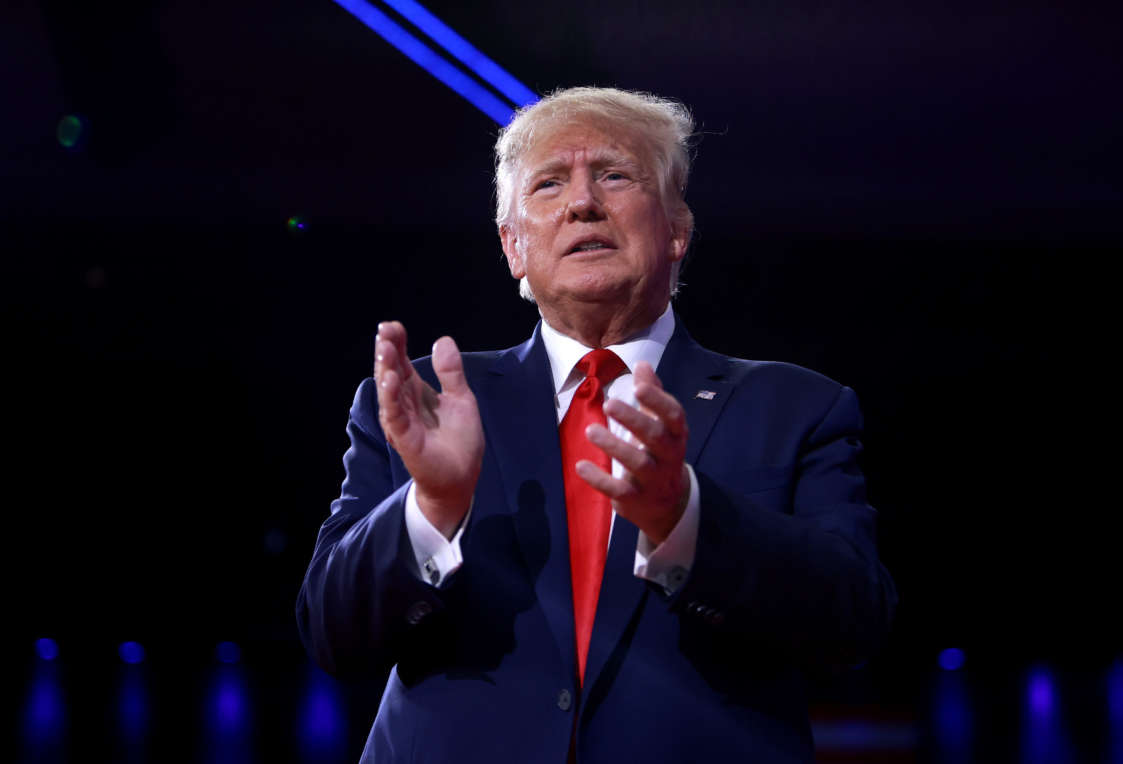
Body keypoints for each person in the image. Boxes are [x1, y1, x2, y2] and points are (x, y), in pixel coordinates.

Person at [297, 86, 897, 763]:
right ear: (513, 246)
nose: (583, 201)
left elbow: (853, 626)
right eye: (549, 183)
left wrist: (686, 518)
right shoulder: (426, 401)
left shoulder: (797, 408)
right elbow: (332, 634)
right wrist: (430, 508)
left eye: (614, 175)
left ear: (675, 228)